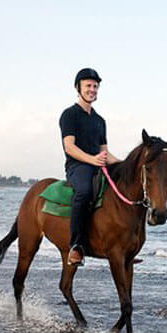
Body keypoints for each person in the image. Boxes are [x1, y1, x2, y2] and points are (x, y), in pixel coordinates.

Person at [59, 68, 120, 266]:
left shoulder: (100, 121)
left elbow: (105, 153)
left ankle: (123, 243)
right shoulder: (69, 115)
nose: (92, 89)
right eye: (88, 86)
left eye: (95, 86)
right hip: (78, 166)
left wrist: (125, 165)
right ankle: (76, 246)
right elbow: (69, 147)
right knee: (84, 192)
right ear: (78, 88)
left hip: (97, 164)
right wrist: (92, 160)